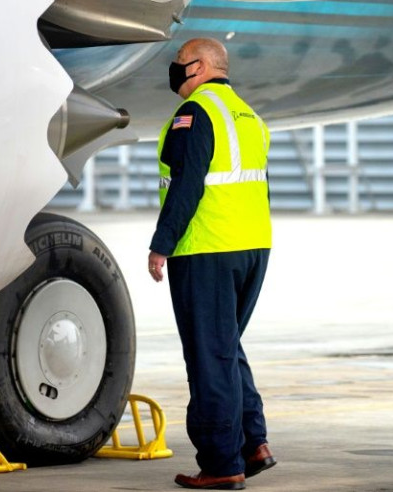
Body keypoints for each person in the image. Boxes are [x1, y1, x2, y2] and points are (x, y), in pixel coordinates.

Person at [147, 38, 276, 490]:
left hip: (206, 248)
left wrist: (162, 244)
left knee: (209, 356)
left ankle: (222, 464)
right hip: (252, 246)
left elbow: (187, 184)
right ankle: (252, 444)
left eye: (179, 64)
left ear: (199, 67)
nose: (174, 71)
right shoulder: (249, 116)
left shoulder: (195, 113)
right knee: (225, 346)